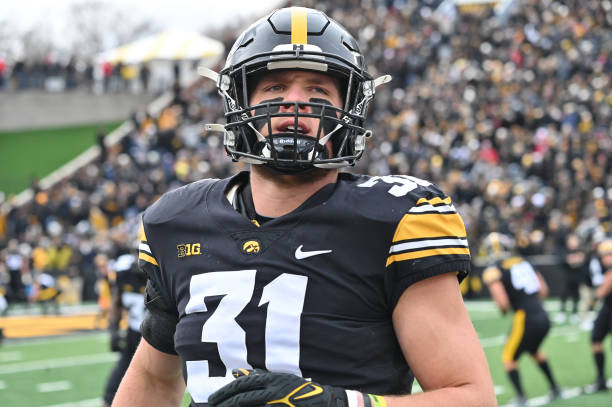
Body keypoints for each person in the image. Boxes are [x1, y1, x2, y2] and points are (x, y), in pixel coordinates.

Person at [113, 7, 496, 407]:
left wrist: (343, 405)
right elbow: (155, 380)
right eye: (274, 88)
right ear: (239, 106)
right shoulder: (178, 222)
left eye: (318, 91)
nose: (295, 104)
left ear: (347, 112)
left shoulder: (393, 220)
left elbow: (473, 397)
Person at [482, 232, 561, 406]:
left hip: (525, 317)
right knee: (534, 351)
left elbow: (502, 302)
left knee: (509, 357)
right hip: (542, 313)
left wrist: (506, 308)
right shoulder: (524, 262)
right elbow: (543, 290)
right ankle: (555, 388)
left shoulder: (494, 269)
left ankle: (521, 397)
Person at [102, 251, 146, 406]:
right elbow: (116, 302)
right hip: (134, 334)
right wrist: (113, 329)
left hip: (156, 336)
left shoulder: (161, 275)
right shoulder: (124, 277)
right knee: (117, 382)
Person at [586, 237, 612, 393]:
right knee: (596, 338)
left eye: (609, 254)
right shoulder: (602, 268)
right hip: (608, 307)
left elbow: (601, 292)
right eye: (604, 255)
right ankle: (601, 378)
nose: (606, 258)